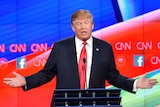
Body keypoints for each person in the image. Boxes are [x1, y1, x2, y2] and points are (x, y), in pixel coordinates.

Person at [3, 9, 158, 106]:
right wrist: (25, 81)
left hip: (95, 103)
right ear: (72, 27)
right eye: (79, 24)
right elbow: (46, 74)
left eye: (86, 23)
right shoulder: (60, 48)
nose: (83, 27)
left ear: (92, 25)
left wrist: (135, 83)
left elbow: (113, 77)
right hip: (65, 104)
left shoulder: (104, 48)